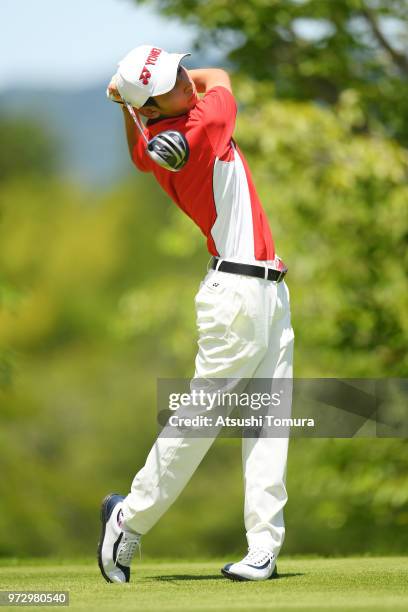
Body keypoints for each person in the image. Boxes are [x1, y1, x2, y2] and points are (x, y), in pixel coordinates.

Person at [98, 44, 295, 584]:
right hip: (238, 292)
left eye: (179, 68)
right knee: (200, 419)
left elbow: (144, 145)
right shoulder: (203, 125)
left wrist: (128, 104)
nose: (187, 77)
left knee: (269, 423)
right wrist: (130, 100)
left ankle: (263, 549)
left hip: (266, 289)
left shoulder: (155, 141)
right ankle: (128, 517)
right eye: (171, 81)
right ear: (156, 108)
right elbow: (221, 76)